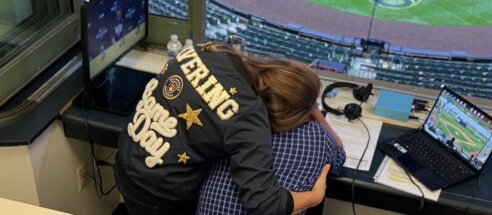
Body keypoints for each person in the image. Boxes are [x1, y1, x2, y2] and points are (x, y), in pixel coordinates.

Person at [114, 43, 331, 215]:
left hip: (126, 159)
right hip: (158, 196)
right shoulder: (250, 120)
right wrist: (315, 197)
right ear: (284, 114)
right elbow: (265, 204)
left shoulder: (214, 50)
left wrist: (308, 103)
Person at [197, 68, 345, 215]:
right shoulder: (318, 136)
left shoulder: (235, 121)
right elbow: (339, 156)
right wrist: (315, 112)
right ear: (306, 108)